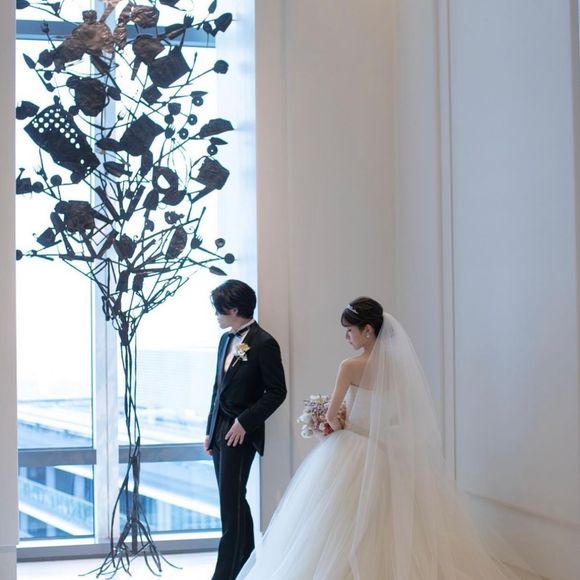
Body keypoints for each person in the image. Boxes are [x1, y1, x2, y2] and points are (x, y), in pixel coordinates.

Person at [237, 297, 531, 580]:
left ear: (367, 330)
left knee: (337, 522)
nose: (346, 337)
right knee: (390, 521)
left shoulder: (349, 366)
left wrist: (330, 428)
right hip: (387, 451)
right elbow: (399, 416)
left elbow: (331, 415)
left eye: (349, 330)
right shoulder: (398, 368)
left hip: (351, 448)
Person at [205, 279, 287, 580]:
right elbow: (218, 389)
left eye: (218, 309)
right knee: (233, 501)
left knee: (231, 504)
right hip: (220, 431)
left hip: (241, 432)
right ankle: (249, 564)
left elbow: (277, 392)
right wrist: (210, 429)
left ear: (234, 309)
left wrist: (244, 422)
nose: (216, 315)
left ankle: (225, 574)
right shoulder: (225, 340)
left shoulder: (265, 343)